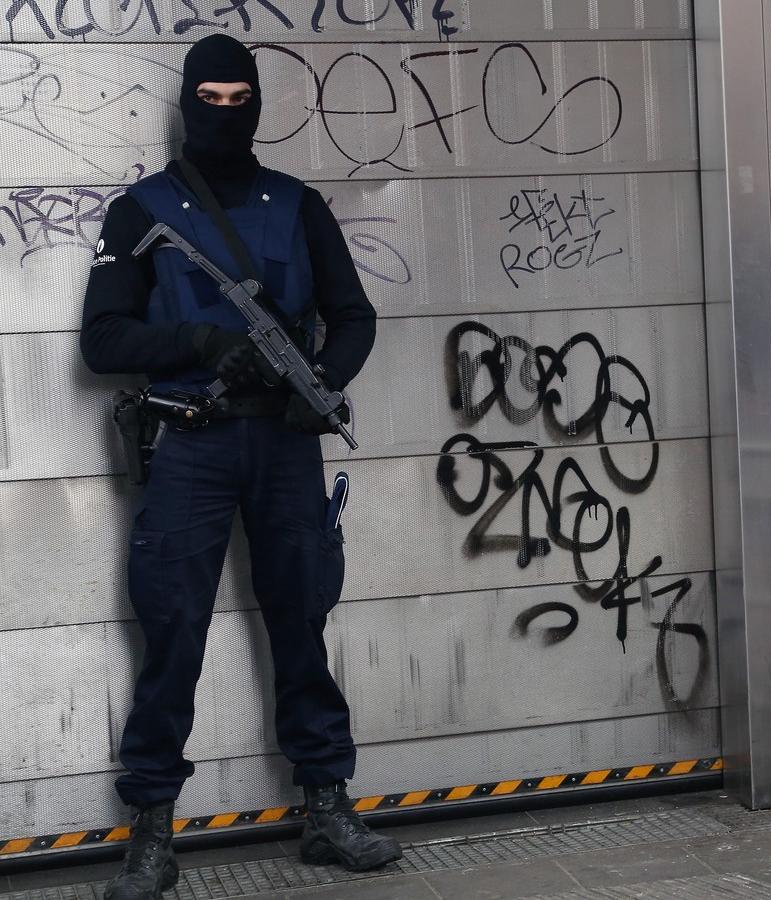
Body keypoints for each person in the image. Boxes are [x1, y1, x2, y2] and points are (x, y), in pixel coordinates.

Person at [80, 34, 401, 899]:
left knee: (301, 619)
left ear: (258, 102)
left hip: (287, 443)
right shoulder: (141, 210)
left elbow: (355, 315)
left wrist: (321, 382)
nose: (226, 114)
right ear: (188, 103)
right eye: (211, 100)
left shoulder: (297, 205)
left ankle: (327, 804)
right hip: (190, 439)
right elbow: (103, 339)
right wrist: (196, 340)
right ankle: (151, 831)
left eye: (240, 99)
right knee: (172, 631)